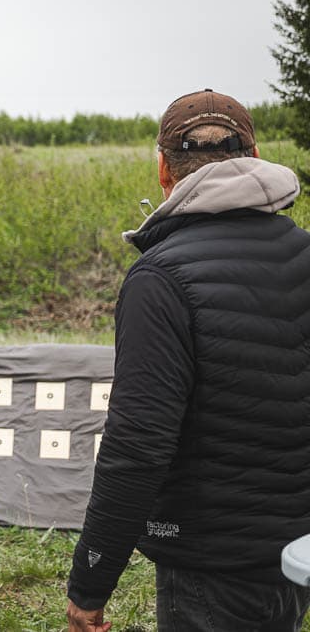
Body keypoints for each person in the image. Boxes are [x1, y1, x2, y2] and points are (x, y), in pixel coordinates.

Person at [65, 89, 310, 630]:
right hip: (298, 557)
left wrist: (90, 583)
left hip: (209, 564)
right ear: (255, 154)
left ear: (162, 170)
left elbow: (138, 447)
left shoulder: (160, 279)